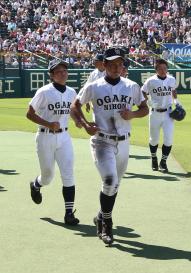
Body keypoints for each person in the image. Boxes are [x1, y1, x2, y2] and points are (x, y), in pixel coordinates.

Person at [70, 47, 149, 246]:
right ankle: (107, 223)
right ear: (104, 65)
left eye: (119, 64)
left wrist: (132, 114)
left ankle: (101, 214)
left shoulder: (131, 86)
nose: (116, 67)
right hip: (101, 140)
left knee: (114, 186)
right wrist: (86, 124)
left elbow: (144, 109)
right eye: (112, 64)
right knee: (110, 180)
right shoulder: (94, 86)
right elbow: (74, 106)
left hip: (123, 142)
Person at [27, 59, 79, 225]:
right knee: (48, 176)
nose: (63, 73)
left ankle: (69, 213)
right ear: (51, 75)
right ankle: (36, 184)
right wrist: (48, 124)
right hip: (45, 136)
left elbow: (73, 110)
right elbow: (29, 113)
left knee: (68, 174)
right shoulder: (44, 91)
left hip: (64, 137)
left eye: (64, 70)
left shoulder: (71, 91)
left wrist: (79, 121)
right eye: (58, 71)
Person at [141, 59, 180, 172]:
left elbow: (173, 90)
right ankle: (154, 158)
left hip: (168, 113)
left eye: (164, 68)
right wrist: (148, 101)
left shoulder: (171, 79)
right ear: (156, 69)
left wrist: (176, 102)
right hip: (155, 113)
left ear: (167, 69)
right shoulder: (151, 81)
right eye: (160, 68)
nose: (163, 71)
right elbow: (142, 91)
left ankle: (163, 162)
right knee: (154, 140)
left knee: (168, 140)